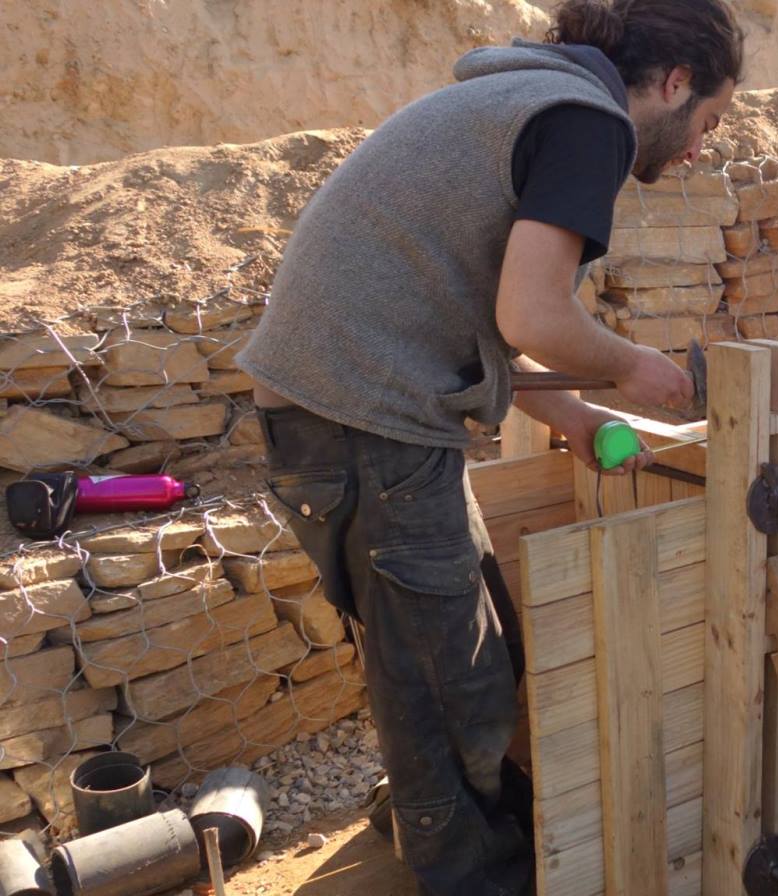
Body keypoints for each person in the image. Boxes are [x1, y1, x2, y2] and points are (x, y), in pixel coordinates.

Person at [234, 1, 743, 892]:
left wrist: (578, 417)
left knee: (472, 644)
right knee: (448, 682)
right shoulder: (588, 125)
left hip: (364, 414)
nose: (700, 146)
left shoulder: (527, 99)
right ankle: (467, 869)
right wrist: (631, 367)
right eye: (708, 120)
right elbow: (532, 314)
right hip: (359, 420)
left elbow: (470, 317)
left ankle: (434, 821)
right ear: (673, 84)